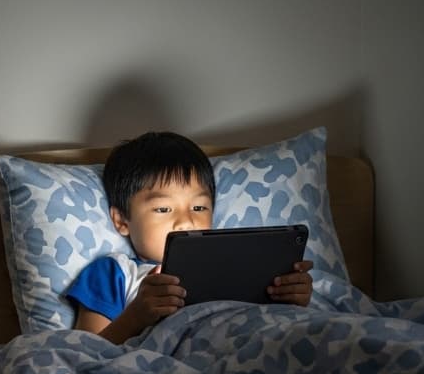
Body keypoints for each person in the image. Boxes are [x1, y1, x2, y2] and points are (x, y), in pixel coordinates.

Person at [66, 131, 314, 344]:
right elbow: (87, 352)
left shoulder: (242, 264)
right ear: (121, 221)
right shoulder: (115, 272)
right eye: (163, 209)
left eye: (199, 208)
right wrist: (137, 316)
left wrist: (292, 299)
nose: (186, 221)